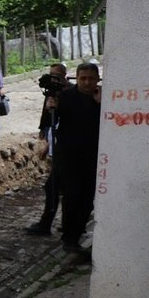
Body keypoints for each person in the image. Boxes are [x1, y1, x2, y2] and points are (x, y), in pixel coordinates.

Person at [53, 63, 101, 253]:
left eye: (91, 78)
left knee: (88, 198)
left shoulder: (103, 98)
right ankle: (69, 238)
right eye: (83, 78)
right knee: (72, 196)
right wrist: (52, 108)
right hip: (69, 155)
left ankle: (78, 231)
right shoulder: (65, 97)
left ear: (97, 79)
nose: (87, 82)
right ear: (77, 78)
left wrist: (100, 104)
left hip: (93, 155)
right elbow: (53, 121)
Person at [26, 63, 69, 236]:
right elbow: (48, 118)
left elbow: (66, 123)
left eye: (56, 74)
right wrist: (45, 138)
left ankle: (63, 226)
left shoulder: (69, 93)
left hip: (69, 148)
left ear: (64, 76)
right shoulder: (52, 92)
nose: (53, 77)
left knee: (57, 188)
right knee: (52, 187)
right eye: (50, 74)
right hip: (57, 145)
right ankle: (50, 224)